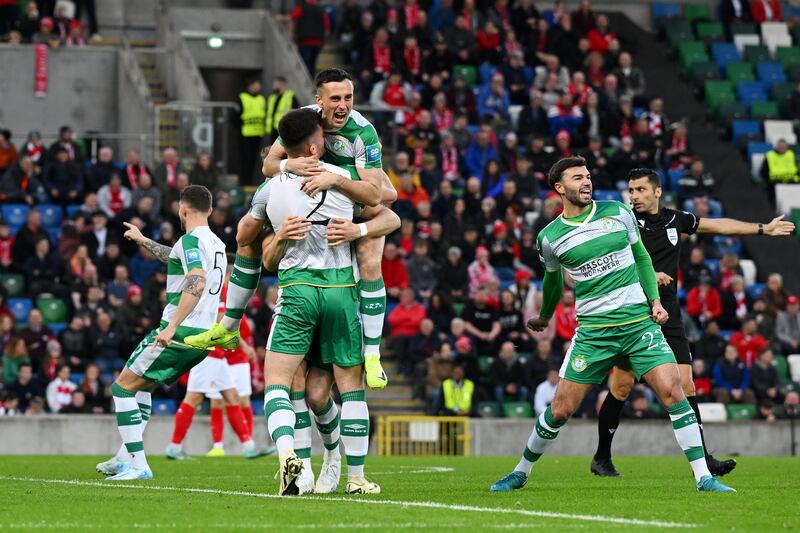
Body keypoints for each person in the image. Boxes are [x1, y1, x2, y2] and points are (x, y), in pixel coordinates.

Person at [490, 157, 736, 494]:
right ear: (560, 188)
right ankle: (520, 471)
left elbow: (642, 259)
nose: (586, 181)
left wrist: (654, 301)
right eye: (578, 177)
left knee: (673, 391)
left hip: (639, 327)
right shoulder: (550, 237)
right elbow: (551, 284)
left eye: (588, 176)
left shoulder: (618, 213)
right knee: (561, 409)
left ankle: (703, 478)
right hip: (593, 335)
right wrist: (545, 316)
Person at [191, 69, 397, 395]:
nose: (343, 106)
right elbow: (269, 164)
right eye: (335, 99)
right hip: (305, 192)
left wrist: (336, 178)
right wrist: (290, 165)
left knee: (372, 252)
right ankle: (229, 325)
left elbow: (377, 194)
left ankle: (372, 354)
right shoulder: (305, 123)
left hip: (351, 197)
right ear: (319, 101)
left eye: (348, 98)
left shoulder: (363, 133)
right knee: (247, 238)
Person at [591, 167, 793, 478]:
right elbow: (606, 265)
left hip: (669, 314)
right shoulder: (623, 223)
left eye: (640, 190)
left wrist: (762, 229)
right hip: (633, 315)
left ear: (657, 191)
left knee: (686, 385)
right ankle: (602, 457)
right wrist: (645, 276)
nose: (634, 196)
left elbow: (718, 225)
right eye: (631, 191)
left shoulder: (676, 219)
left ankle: (704, 458)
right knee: (622, 386)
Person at [246, 108, 399, 495]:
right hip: (340, 293)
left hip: (297, 292)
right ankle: (354, 476)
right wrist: (358, 225)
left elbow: (256, 252)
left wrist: (279, 237)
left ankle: (292, 459)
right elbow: (387, 203)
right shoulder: (343, 177)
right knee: (340, 389)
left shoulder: (270, 188)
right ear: (315, 146)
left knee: (279, 384)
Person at [93, 184, 225, 481]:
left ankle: (138, 464)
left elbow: (197, 280)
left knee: (122, 387)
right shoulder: (214, 243)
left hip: (180, 330)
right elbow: (175, 258)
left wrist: (173, 326)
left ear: (183, 209)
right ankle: (124, 456)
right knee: (143, 386)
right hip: (203, 336)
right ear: (211, 210)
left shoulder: (191, 240)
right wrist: (143, 240)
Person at [238, 78, 266, 184]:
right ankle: (244, 181)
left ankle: (250, 181)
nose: (259, 87)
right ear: (251, 85)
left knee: (254, 161)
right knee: (245, 159)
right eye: (257, 84)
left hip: (257, 134)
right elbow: (235, 117)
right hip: (245, 134)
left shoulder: (261, 99)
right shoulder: (242, 97)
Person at [265, 76, 300, 145]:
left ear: (281, 83)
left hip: (285, 129)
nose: (273, 86)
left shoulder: (290, 96)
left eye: (275, 83)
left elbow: (296, 113)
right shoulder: (272, 97)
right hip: (273, 129)